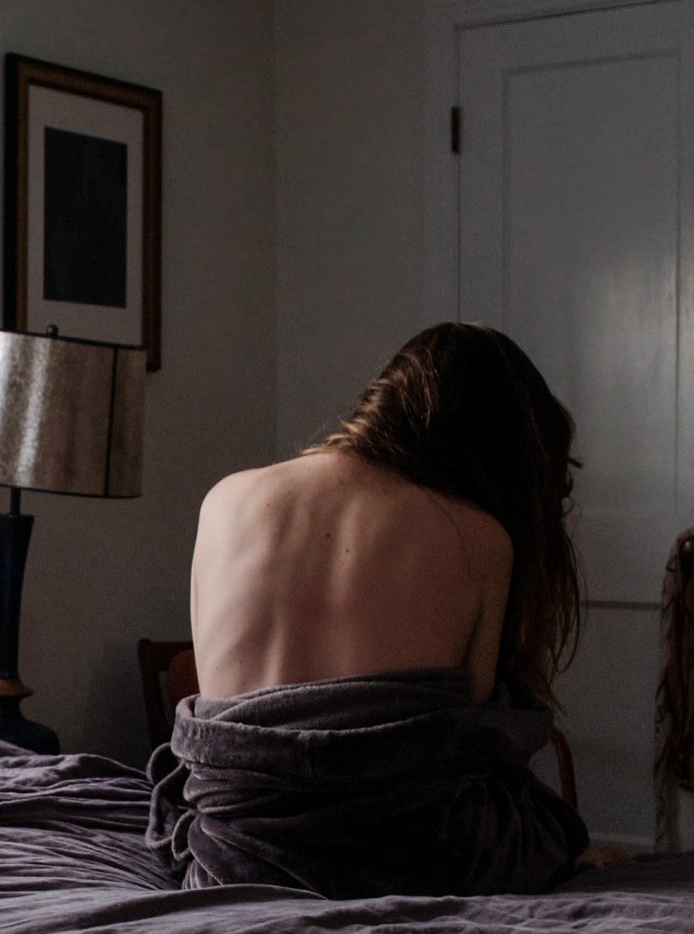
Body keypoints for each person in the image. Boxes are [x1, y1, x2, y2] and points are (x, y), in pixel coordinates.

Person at [147, 322, 592, 899]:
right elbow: (475, 743)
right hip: (408, 861)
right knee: (542, 824)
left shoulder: (224, 499)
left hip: (236, 859)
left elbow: (217, 698)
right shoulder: (480, 538)